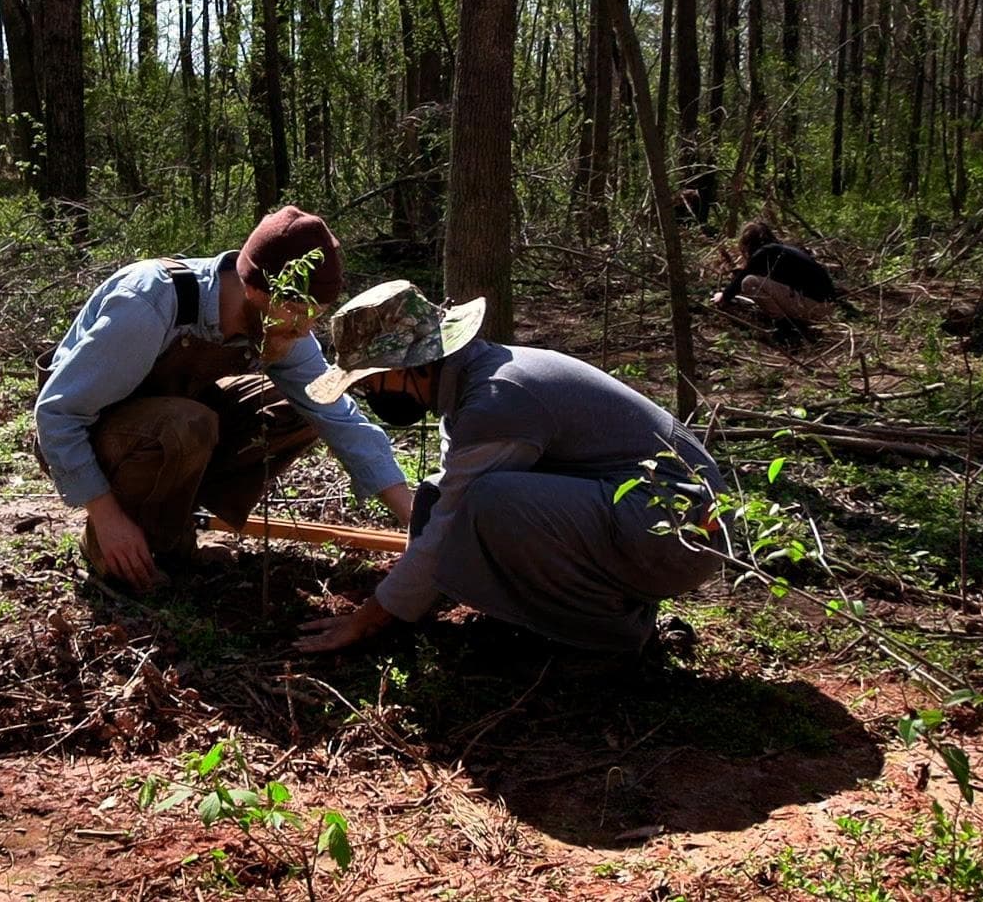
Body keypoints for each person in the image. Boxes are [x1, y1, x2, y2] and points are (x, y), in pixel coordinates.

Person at [293, 281, 725, 666]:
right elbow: (443, 503)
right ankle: (601, 610)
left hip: (680, 533)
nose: (368, 394)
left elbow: (450, 524)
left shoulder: (496, 399)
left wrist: (371, 617)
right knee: (438, 495)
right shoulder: (475, 382)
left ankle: (613, 636)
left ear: (415, 366)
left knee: (492, 500)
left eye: (370, 382)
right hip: (650, 519)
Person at [34, 207, 413, 590]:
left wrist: (414, 520)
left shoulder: (278, 322)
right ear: (254, 289)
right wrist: (106, 515)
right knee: (188, 423)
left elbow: (338, 415)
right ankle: (115, 546)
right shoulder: (148, 302)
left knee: (298, 407)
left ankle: (172, 520)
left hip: (166, 435)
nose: (304, 331)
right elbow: (57, 414)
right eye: (297, 313)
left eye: (315, 317)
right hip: (90, 438)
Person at [711, 221, 839, 329]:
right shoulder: (783, 251)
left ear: (748, 243)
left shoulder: (765, 252)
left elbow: (743, 277)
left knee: (749, 282)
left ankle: (784, 326)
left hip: (814, 307)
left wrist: (723, 296)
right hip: (827, 307)